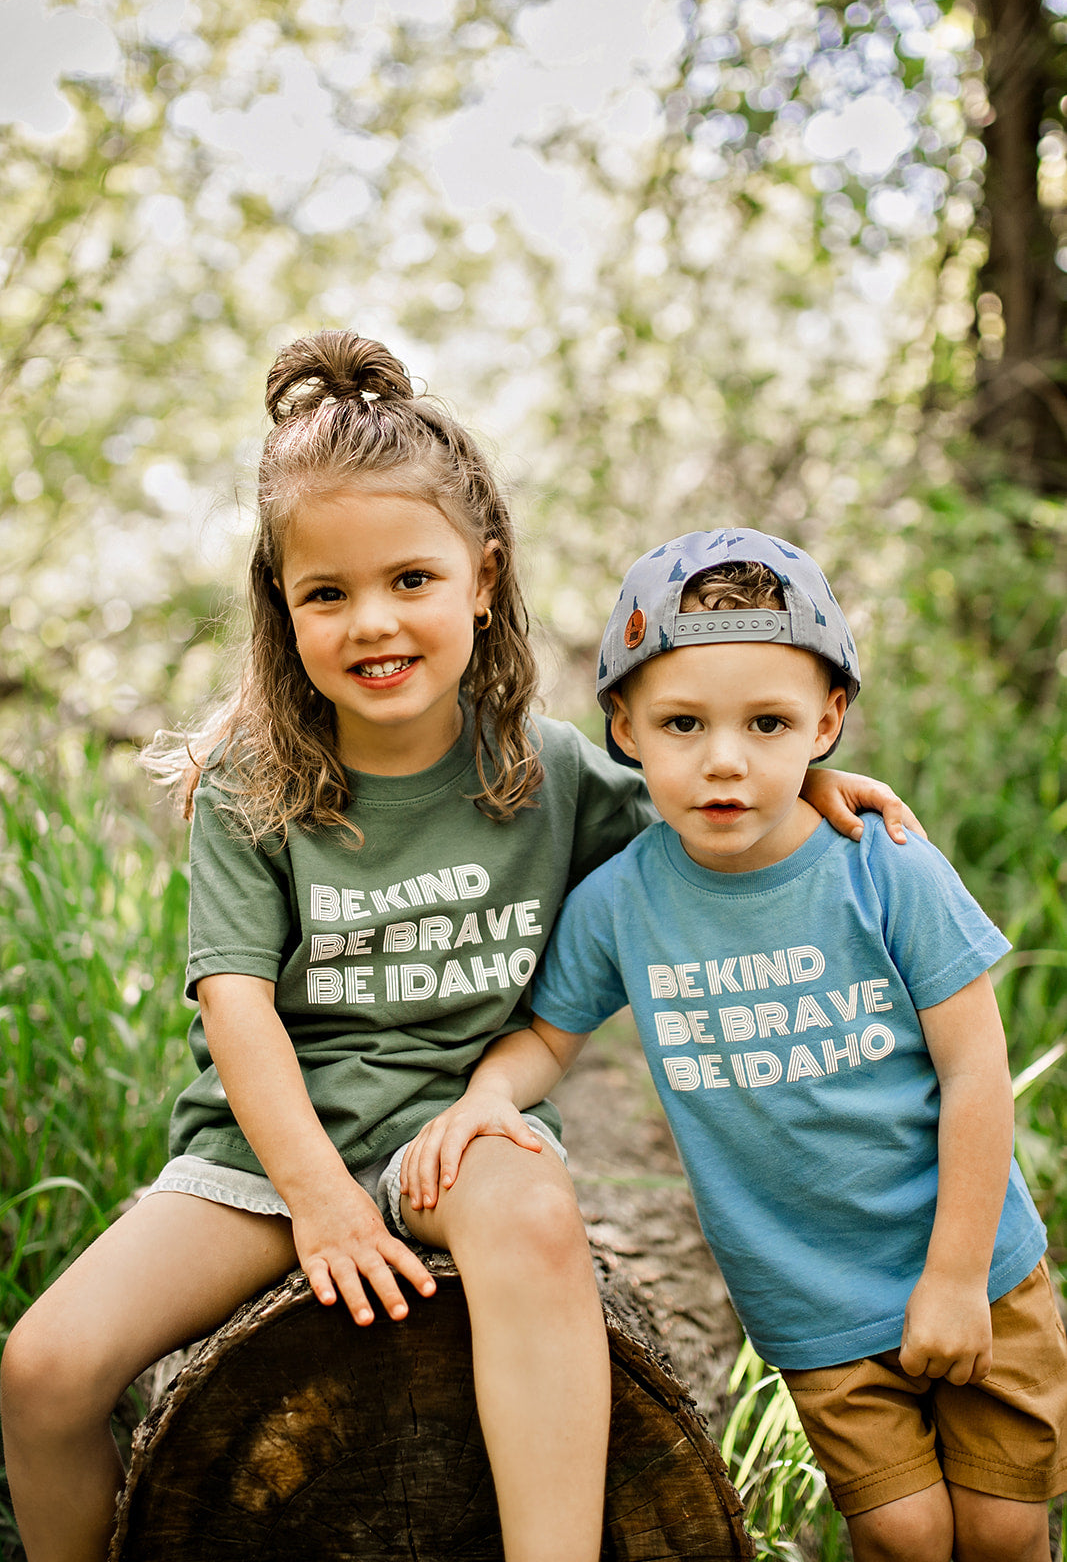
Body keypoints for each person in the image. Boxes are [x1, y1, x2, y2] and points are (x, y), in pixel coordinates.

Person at [0, 341, 917, 1562]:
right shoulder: (253, 784)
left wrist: (799, 782)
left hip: (449, 1137)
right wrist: (322, 1204)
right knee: (42, 1369)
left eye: (411, 579)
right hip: (266, 1159)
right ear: (282, 607)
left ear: (481, 581)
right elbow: (236, 1006)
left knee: (536, 1218)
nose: (371, 620)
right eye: (326, 593)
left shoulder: (546, 771)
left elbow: (708, 815)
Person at [405, 528, 1067, 1562]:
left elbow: (974, 1068)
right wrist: (489, 1096)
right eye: (681, 723)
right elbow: (546, 1033)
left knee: (999, 1526)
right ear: (625, 728)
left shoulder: (881, 864)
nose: (724, 760)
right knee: (900, 1529)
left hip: (971, 1261)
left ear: (826, 720)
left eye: (767, 722)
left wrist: (951, 1275)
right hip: (810, 1295)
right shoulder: (623, 901)